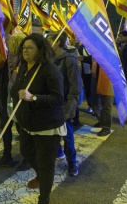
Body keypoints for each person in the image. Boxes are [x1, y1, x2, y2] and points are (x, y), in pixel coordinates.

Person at [10, 34, 65, 204]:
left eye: (29, 48)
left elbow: (58, 99)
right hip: (28, 123)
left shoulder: (50, 70)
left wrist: (33, 98)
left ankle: (44, 198)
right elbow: (17, 91)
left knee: (45, 163)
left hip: (47, 125)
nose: (25, 50)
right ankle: (41, 176)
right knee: (26, 152)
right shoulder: (25, 67)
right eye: (23, 47)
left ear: (40, 50)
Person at [0, 33, 27, 169]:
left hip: (20, 102)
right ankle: (7, 157)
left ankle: (26, 159)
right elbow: (2, 74)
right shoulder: (9, 59)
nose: (7, 44)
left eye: (9, 42)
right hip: (7, 100)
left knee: (23, 132)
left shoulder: (25, 62)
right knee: (5, 129)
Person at [47, 31, 81, 176]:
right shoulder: (47, 59)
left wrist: (69, 109)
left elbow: (75, 87)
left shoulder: (69, 60)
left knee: (67, 135)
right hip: (50, 104)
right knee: (51, 134)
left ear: (58, 42)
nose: (46, 43)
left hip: (64, 104)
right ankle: (58, 152)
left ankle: (72, 163)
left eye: (49, 40)